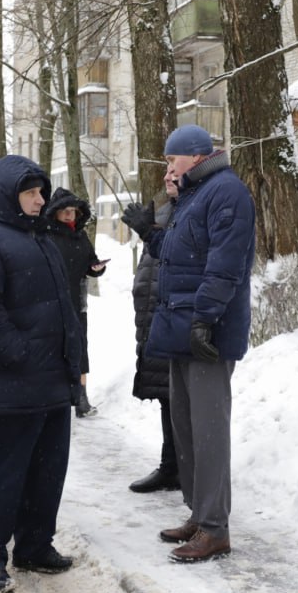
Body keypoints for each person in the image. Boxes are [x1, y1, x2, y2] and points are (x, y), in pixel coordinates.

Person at [121, 124, 255, 564]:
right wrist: (150, 232)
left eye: (170, 159)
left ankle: (215, 528)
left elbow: (224, 265)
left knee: (209, 431)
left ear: (194, 156)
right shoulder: (194, 195)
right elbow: (183, 255)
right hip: (182, 327)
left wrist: (204, 319)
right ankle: (200, 515)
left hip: (206, 332)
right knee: (187, 427)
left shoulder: (226, 193)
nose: (167, 168)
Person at [0, 155, 81, 593]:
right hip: (12, 382)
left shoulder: (41, 238)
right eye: (30, 192)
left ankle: (34, 546)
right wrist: (23, 357)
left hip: (51, 381)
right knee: (3, 474)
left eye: (40, 191)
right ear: (9, 195)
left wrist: (73, 365)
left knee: (48, 472)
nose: (39, 199)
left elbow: (65, 311)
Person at [126, 173, 180, 494]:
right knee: (166, 396)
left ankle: (186, 470)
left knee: (183, 401)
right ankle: (170, 466)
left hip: (177, 319)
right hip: (155, 319)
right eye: (166, 165)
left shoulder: (196, 211)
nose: (166, 174)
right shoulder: (164, 211)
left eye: (176, 165)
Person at [43, 188, 107, 418]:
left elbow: (90, 262)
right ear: (56, 213)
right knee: (54, 350)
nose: (71, 216)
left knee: (80, 349)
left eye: (74, 212)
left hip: (77, 303)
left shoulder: (80, 236)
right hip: (52, 303)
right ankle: (54, 399)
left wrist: (97, 268)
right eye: (66, 211)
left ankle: (81, 399)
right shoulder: (46, 235)